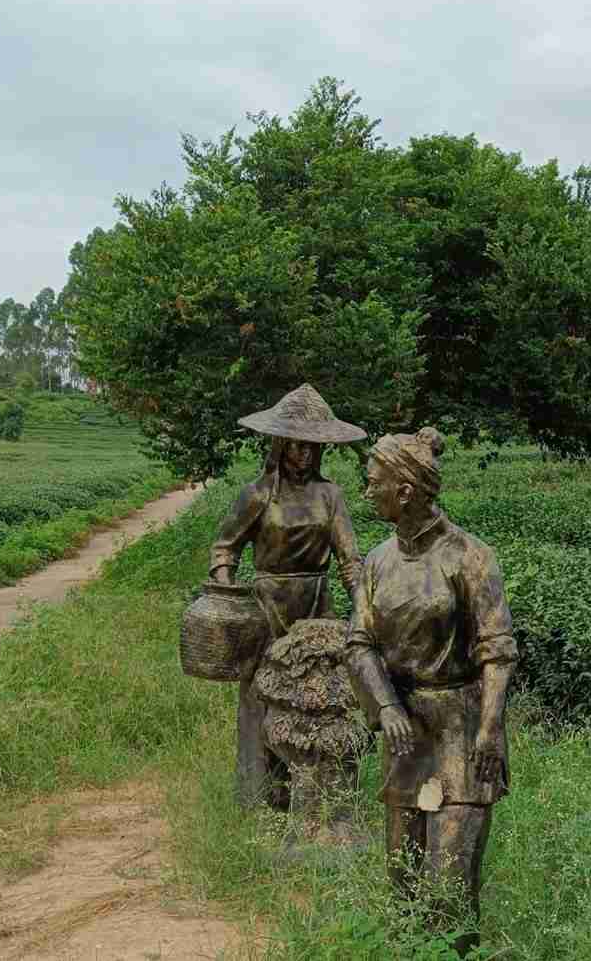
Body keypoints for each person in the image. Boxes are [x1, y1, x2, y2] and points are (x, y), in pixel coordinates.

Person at [345, 426, 517, 953]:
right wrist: (385, 706)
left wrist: (490, 727)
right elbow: (359, 644)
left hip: (462, 731)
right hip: (405, 734)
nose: (365, 492)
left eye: (372, 482)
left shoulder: (470, 556)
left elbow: (497, 650)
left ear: (404, 491)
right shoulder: (377, 562)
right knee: (403, 884)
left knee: (450, 887)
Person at [209, 384, 367, 808]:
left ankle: (322, 798)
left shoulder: (330, 495)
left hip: (317, 606)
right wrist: (225, 588)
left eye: (313, 446)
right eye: (297, 444)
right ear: (280, 444)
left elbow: (349, 558)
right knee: (261, 696)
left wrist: (362, 605)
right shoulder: (258, 493)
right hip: (267, 606)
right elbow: (225, 547)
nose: (305, 453)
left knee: (319, 695)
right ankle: (261, 795)